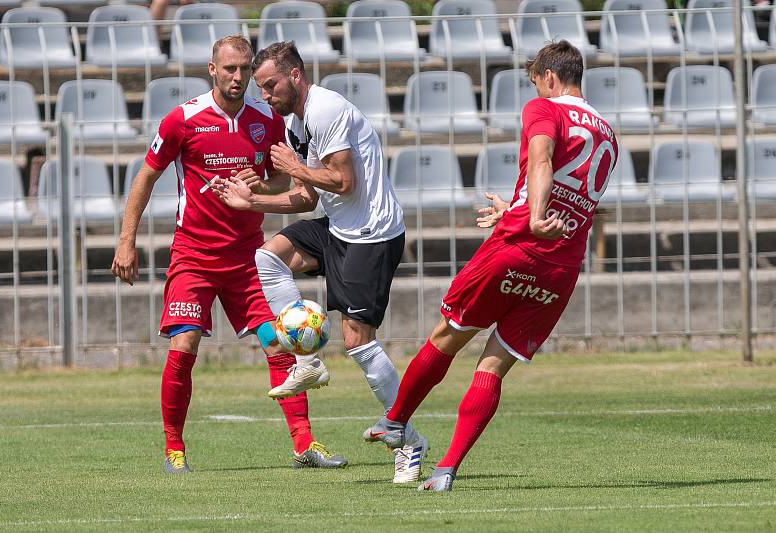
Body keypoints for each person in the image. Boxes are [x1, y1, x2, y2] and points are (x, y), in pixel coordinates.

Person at [362, 40, 619, 492]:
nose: (536, 88)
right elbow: (573, 196)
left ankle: (397, 421)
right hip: (561, 265)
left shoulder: (545, 108)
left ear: (550, 78)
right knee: (493, 367)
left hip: (518, 247)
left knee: (448, 335)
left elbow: (541, 160)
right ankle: (445, 471)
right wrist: (519, 209)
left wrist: (530, 219)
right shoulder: (609, 134)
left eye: (537, 81)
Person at [110, 35, 346, 474]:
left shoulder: (267, 119)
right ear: (212, 69)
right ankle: (174, 448)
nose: (238, 78)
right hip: (194, 255)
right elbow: (145, 177)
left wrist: (257, 185)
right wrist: (127, 240)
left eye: (244, 70)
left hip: (246, 257)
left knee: (280, 344)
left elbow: (284, 182)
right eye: (230, 69)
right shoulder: (183, 120)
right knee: (184, 344)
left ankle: (305, 444)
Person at [212, 41, 428, 484]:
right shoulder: (294, 123)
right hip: (337, 227)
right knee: (268, 257)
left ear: (295, 76)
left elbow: (344, 183)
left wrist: (294, 165)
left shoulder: (326, 110)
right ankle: (306, 359)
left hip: (372, 233)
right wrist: (252, 200)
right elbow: (309, 197)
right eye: (260, 88)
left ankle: (408, 442)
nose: (265, 96)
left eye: (270, 86)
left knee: (357, 343)